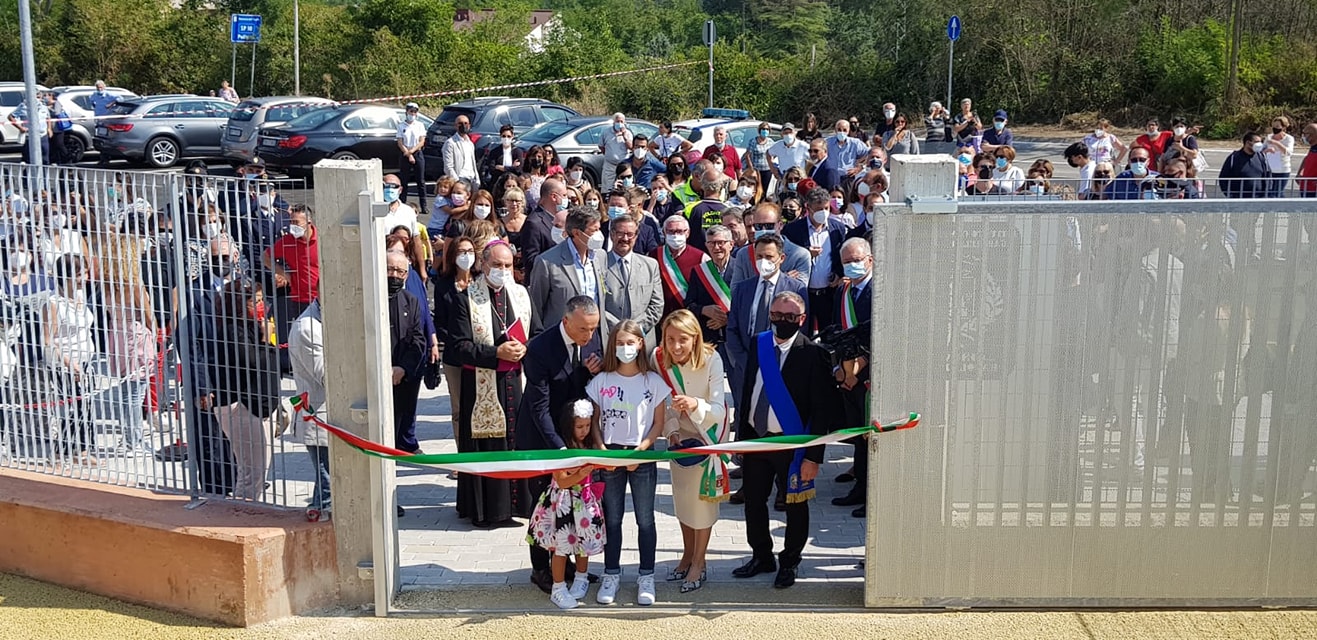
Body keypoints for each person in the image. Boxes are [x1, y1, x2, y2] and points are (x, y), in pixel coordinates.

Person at [731, 291, 837, 589]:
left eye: (790, 317)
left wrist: (814, 457)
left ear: (802, 320)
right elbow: (748, 390)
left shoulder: (814, 354)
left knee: (795, 505)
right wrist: (741, 439)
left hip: (793, 446)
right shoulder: (759, 343)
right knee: (753, 501)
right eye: (777, 316)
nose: (782, 321)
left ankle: (789, 562)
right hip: (757, 441)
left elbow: (821, 410)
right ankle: (761, 555)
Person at [516, 295, 603, 594]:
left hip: (569, 434)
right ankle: (540, 568)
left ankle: (566, 565)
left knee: (569, 504)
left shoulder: (588, 339)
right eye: (583, 330)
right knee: (543, 504)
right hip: (541, 437)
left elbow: (570, 384)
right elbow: (539, 407)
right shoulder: (540, 349)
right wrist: (561, 451)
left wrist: (587, 372)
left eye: (593, 329)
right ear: (566, 321)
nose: (588, 336)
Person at [586, 320, 670, 606]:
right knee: (612, 519)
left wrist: (642, 451)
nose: (625, 348)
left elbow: (658, 424)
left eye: (630, 342)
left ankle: (646, 575)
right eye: (619, 343)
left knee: (645, 520)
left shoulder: (653, 382)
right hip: (610, 457)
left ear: (641, 344)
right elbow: (595, 421)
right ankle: (611, 573)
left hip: (641, 458)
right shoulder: (602, 381)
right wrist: (600, 450)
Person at [449, 241, 532, 527]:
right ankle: (487, 510)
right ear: (483, 265)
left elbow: (539, 332)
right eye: (497, 265)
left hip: (516, 383)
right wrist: (497, 353)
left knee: (515, 441)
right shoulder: (465, 298)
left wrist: (525, 348)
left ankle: (518, 506)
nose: (503, 271)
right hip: (481, 385)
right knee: (489, 445)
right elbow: (458, 347)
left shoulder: (521, 295)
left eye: (508, 265)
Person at [656, 310, 728, 594]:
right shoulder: (661, 360)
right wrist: (671, 431)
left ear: (695, 338)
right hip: (680, 441)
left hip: (706, 438)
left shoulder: (712, 360)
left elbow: (720, 410)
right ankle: (687, 555)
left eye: (683, 340)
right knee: (684, 505)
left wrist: (695, 405)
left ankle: (700, 562)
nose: (676, 347)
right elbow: (663, 400)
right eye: (670, 339)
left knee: (702, 508)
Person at [526, 398, 606, 609]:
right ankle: (558, 587)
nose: (584, 430)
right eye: (579, 426)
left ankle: (581, 578)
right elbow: (561, 480)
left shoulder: (589, 443)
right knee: (560, 547)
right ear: (569, 425)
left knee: (584, 544)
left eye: (588, 426)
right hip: (563, 502)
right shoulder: (561, 447)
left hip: (585, 502)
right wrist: (580, 473)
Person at [207, 279, 281, 501]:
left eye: (261, 301)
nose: (261, 306)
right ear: (238, 304)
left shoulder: (251, 325)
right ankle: (242, 514)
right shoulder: (231, 330)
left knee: (259, 468)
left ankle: (250, 508)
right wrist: (266, 340)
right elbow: (251, 361)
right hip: (241, 407)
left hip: (259, 405)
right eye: (254, 302)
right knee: (251, 472)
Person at [726, 233, 808, 422]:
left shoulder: (796, 289)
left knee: (777, 418)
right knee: (746, 416)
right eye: (759, 256)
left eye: (769, 257)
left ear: (781, 258)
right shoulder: (743, 288)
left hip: (781, 366)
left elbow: (802, 330)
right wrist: (745, 360)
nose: (764, 261)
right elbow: (732, 328)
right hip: (746, 366)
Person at [829, 238, 875, 518]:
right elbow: (836, 333)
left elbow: (885, 332)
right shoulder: (843, 292)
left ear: (870, 259)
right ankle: (858, 485)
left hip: (870, 375)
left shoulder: (881, 291)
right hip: (847, 375)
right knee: (856, 432)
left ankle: (870, 491)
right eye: (847, 262)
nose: (853, 265)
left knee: (870, 436)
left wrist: (861, 366)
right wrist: (839, 369)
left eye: (857, 260)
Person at [43, 254, 97, 467]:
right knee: (71, 408)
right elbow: (48, 340)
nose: (83, 278)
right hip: (65, 364)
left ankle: (82, 450)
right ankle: (58, 452)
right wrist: (68, 363)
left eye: (84, 272)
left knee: (86, 406)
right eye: (78, 274)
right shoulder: (54, 303)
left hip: (86, 360)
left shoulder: (82, 298)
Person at [527, 205, 609, 338]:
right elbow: (537, 306)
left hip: (593, 335)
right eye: (594, 231)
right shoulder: (547, 262)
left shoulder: (600, 256)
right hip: (561, 336)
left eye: (599, 229)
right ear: (577, 233)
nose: (599, 235)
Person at [288, 297, 331, 520]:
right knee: (329, 484)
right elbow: (326, 376)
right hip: (320, 414)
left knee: (328, 481)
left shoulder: (324, 319)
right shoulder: (308, 328)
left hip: (329, 415)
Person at [263, 203, 318, 374]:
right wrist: (283, 273)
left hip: (321, 299)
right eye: (291, 222)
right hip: (299, 299)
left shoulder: (323, 239)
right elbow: (266, 257)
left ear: (309, 223)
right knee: (301, 337)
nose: (293, 226)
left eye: (297, 222)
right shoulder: (287, 241)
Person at [783, 188, 845, 334]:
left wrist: (838, 274)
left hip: (828, 294)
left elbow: (840, 257)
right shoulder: (793, 230)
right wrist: (806, 253)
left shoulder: (838, 229)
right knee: (803, 333)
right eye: (818, 209)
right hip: (803, 293)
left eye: (826, 208)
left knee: (829, 334)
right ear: (808, 208)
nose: (823, 212)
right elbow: (786, 258)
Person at [386, 251, 430, 453]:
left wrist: (403, 367)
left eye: (399, 271)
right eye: (390, 269)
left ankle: (405, 444)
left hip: (403, 371)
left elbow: (417, 338)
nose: (394, 275)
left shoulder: (410, 300)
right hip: (375, 371)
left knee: (405, 411)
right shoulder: (366, 299)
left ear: (406, 275)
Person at [602, 214, 663, 343]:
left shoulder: (651, 265)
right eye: (620, 233)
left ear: (636, 236)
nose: (625, 238)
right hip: (609, 339)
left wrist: (635, 329)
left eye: (630, 234)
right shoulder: (598, 264)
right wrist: (618, 329)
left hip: (643, 340)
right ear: (612, 234)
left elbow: (657, 305)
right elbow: (596, 303)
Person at [727, 202, 810, 287]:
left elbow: (798, 291)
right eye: (758, 226)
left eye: (769, 225)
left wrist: (751, 285)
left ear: (780, 225)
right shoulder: (743, 254)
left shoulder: (800, 255)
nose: (763, 230)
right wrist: (784, 279)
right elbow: (736, 290)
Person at [650, 214, 708, 319]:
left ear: (688, 233)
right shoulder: (653, 256)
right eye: (671, 231)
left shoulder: (701, 258)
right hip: (661, 318)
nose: (675, 235)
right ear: (664, 233)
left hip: (690, 319)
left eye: (680, 231)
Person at [520, 177, 566, 283]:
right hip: (543, 284)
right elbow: (531, 261)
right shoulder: (534, 223)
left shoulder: (562, 219)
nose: (566, 199)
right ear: (554, 197)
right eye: (564, 195)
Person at [1219, 132, 1272, 199]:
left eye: (1261, 142)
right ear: (1248, 143)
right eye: (1257, 142)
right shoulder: (1234, 157)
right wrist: (1230, 195)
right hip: (1238, 199)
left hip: (1258, 199)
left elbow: (1268, 175)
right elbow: (1223, 177)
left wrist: (1266, 193)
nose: (1260, 144)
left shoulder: (1262, 157)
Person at [396, 103, 428, 213]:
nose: (413, 114)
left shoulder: (419, 125)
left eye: (414, 112)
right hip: (405, 154)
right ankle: (401, 204)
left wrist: (412, 152)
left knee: (421, 181)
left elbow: (422, 141)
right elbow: (400, 142)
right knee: (404, 181)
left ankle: (423, 206)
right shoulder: (401, 126)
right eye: (411, 112)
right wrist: (408, 154)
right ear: (406, 112)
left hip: (417, 153)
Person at [9, 92, 50, 165]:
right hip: (30, 136)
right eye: (36, 96)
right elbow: (11, 117)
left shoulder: (43, 106)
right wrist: (21, 128)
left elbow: (48, 118)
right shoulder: (23, 106)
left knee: (45, 158)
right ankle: (28, 175)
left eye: (39, 97)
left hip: (43, 135)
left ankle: (44, 175)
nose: (38, 99)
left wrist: (49, 129)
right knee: (29, 158)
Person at [443, 113, 480, 189]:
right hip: (460, 179)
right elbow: (448, 166)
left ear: (469, 125)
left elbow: (473, 163)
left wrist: (477, 179)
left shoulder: (470, 143)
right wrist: (457, 181)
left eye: (466, 123)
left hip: (472, 179)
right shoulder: (450, 143)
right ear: (456, 126)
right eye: (460, 123)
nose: (463, 125)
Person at [1262, 116, 1295, 198]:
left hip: (1283, 169)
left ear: (1283, 127)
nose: (1275, 129)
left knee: (1278, 192)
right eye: (1273, 126)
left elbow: (1289, 152)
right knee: (1269, 192)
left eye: (1277, 126)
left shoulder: (1289, 138)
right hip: (1270, 169)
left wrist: (1276, 143)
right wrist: (1267, 150)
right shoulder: (1269, 137)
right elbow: (1261, 151)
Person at [599, 113, 633, 189]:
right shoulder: (606, 132)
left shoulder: (628, 133)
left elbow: (631, 147)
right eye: (618, 121)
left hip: (623, 166)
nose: (619, 123)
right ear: (614, 122)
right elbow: (601, 146)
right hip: (610, 166)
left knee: (625, 187)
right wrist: (609, 155)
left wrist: (624, 136)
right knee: (608, 188)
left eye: (621, 121)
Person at [1298, 122, 1317, 198]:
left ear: (1312, 135)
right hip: (1305, 185)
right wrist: (1299, 172)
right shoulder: (1313, 147)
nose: (1304, 136)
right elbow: (1307, 158)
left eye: (1305, 134)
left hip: (1313, 188)